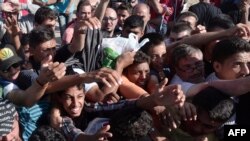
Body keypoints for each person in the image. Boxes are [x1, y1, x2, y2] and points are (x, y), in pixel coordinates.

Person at [50, 69, 185, 141]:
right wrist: (92, 138)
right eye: (69, 98)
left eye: (79, 97)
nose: (75, 104)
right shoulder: (59, 118)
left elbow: (125, 105)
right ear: (59, 98)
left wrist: (154, 100)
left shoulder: (90, 108)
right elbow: (75, 135)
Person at [162, 86, 236, 141]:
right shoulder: (167, 113)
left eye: (208, 127)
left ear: (218, 126)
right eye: (195, 118)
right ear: (190, 104)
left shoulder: (212, 139)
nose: (196, 128)